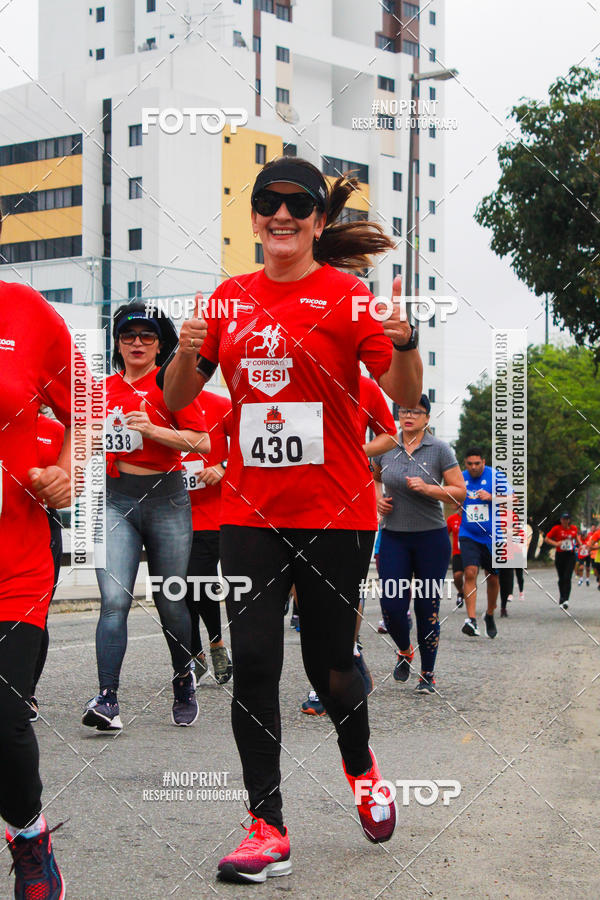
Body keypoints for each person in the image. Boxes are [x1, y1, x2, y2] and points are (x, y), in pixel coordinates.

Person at [163, 156, 422, 883]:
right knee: (254, 664)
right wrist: (185, 354)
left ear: (318, 221)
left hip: (336, 513)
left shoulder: (349, 298)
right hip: (249, 514)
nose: (282, 215)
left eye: (298, 205)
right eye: (268, 203)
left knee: (330, 663)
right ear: (252, 218)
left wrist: (403, 342)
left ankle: (362, 766)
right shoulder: (226, 301)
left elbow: (402, 393)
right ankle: (266, 825)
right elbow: (182, 397)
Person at [82, 301, 210, 731]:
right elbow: (78, 440)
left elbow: (202, 442)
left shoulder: (171, 384)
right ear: (117, 343)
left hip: (166, 499)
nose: (137, 343)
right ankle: (107, 699)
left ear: (160, 344)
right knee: (114, 600)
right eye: (128, 336)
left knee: (170, 599)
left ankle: (182, 680)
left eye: (147, 336)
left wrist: (154, 431)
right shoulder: (99, 390)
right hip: (115, 499)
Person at [1, 265, 74, 897]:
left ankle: (29, 837)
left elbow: (89, 402)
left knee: (2, 716)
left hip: (14, 564)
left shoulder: (23, 311)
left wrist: (68, 471)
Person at [301, 374, 397, 716]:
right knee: (308, 595)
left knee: (342, 593)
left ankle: (344, 656)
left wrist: (355, 449)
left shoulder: (365, 387)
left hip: (347, 504)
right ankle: (333, 665)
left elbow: (389, 435)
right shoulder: (296, 379)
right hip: (299, 500)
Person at [373, 395, 465, 693]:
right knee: (391, 608)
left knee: (428, 607)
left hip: (430, 538)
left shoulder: (439, 449)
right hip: (393, 536)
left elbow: (459, 493)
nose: (408, 415)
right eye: (403, 410)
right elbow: (372, 477)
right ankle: (404, 649)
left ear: (427, 418)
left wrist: (429, 488)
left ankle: (427, 673)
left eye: (416, 411)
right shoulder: (386, 444)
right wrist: (377, 500)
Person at [182, 388, 233, 684]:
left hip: (211, 513)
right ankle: (194, 652)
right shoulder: (161, 404)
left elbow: (248, 439)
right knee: (176, 589)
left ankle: (215, 644)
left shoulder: (219, 404)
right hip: (170, 513)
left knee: (199, 580)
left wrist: (223, 466)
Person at [29, 411, 66, 721]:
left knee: (35, 615)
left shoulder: (56, 429)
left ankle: (26, 691)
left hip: (42, 527)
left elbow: (69, 488)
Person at [458, 448, 502, 639]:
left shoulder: (495, 476)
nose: (474, 467)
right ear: (465, 464)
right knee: (470, 572)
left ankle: (490, 614)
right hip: (469, 534)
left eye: (477, 463)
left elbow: (514, 498)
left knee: (492, 578)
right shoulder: (460, 477)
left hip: (493, 536)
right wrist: (456, 502)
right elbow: (453, 497)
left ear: (483, 461)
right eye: (470, 464)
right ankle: (471, 620)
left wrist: (492, 498)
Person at [544, 512, 581, 609]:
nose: (565, 521)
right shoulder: (556, 529)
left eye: (567, 519)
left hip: (570, 555)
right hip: (560, 555)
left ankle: (566, 600)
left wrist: (581, 545)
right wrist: (556, 544)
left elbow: (576, 538)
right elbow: (547, 539)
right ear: (561, 520)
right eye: (563, 519)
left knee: (567, 577)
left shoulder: (574, 528)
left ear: (569, 520)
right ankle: (562, 596)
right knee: (561, 578)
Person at [446, 509, 464, 608]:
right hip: (457, 552)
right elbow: (445, 534)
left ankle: (471, 610)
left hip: (471, 551)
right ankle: (461, 592)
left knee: (471, 575)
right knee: (457, 576)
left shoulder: (472, 517)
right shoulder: (452, 519)